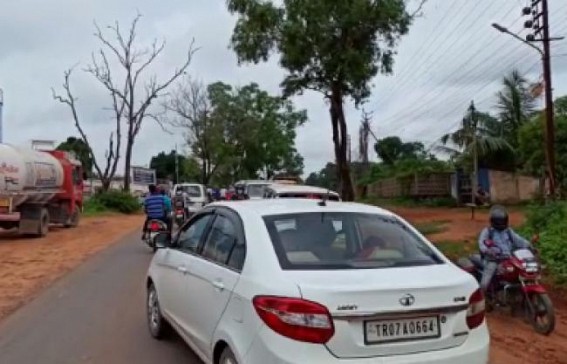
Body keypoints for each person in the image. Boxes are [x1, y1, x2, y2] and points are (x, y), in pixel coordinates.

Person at [477, 205, 532, 293]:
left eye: (503, 222)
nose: (501, 224)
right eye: (499, 222)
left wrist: (529, 245)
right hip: (493, 260)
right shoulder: (488, 231)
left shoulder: (508, 231)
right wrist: (488, 250)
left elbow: (518, 240)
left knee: (522, 272)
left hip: (508, 259)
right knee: (484, 283)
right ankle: (481, 299)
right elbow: (481, 243)